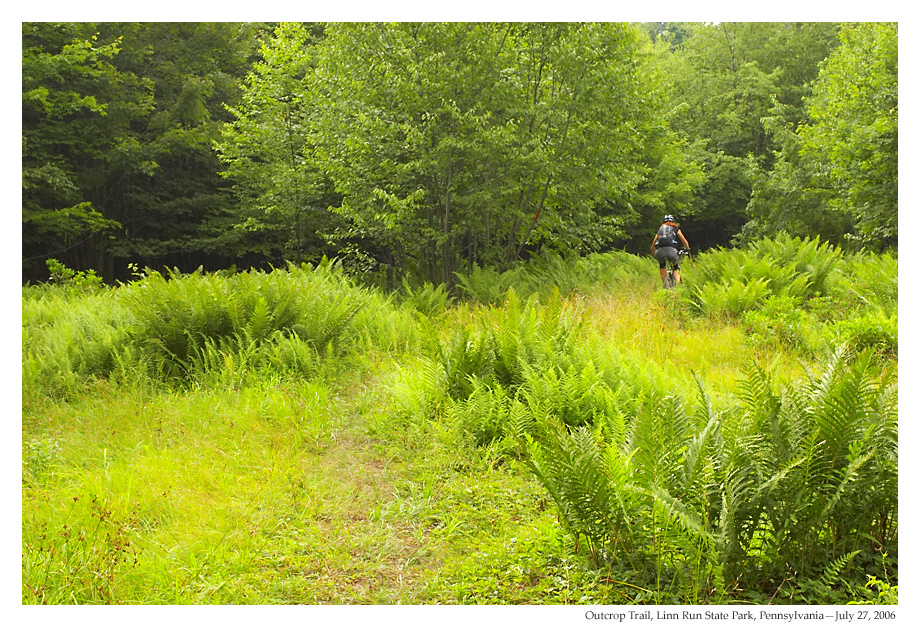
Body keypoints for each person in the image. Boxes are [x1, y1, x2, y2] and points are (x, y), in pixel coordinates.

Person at [651, 215, 690, 288]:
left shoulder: (660, 229)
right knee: (676, 267)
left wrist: (655, 255)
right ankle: (678, 286)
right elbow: (684, 241)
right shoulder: (675, 228)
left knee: (662, 266)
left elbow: (653, 246)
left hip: (659, 251)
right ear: (673, 221)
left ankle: (665, 285)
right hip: (672, 250)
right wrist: (687, 248)